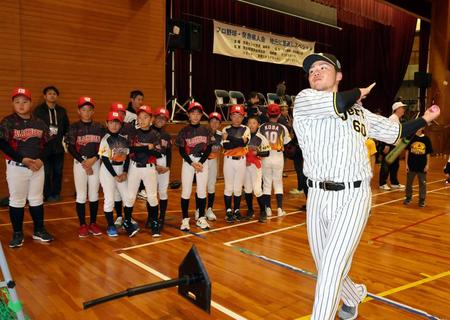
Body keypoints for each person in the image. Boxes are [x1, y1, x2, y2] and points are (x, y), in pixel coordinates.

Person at [293, 52, 440, 320]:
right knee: (326, 266)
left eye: (323, 67)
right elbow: (339, 101)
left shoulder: (359, 112)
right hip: (316, 195)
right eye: (311, 69)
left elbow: (395, 133)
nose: (315, 71)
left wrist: (425, 120)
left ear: (338, 75)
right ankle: (354, 294)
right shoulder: (305, 99)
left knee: (331, 267)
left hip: (353, 194)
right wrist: (357, 92)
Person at [1, 88, 54, 248]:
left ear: (30, 103)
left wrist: (40, 159)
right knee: (17, 200)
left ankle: (39, 230)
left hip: (37, 167)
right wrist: (22, 159)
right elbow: (2, 143)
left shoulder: (39, 122)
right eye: (17, 102)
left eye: (25, 101)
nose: (21, 105)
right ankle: (17, 233)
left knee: (36, 199)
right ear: (13, 104)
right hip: (17, 166)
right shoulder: (8, 121)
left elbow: (51, 143)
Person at [67, 97, 105, 238]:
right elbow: (70, 147)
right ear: (79, 111)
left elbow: (103, 147)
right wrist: (83, 162)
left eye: (89, 110)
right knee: (82, 195)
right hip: (80, 164)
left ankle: (93, 223)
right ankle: (83, 224)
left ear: (93, 111)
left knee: (94, 194)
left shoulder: (99, 127)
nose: (87, 112)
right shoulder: (74, 127)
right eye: (84, 110)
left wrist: (94, 159)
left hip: (95, 162)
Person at [176, 102, 212, 231]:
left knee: (202, 191)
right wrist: (192, 163)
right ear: (188, 115)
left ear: (201, 115)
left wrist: (201, 162)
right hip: (188, 162)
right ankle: (185, 219)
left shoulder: (206, 130)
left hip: (202, 162)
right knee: (186, 191)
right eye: (193, 113)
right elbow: (181, 150)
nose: (195, 116)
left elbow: (209, 148)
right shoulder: (184, 131)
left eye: (198, 113)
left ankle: (201, 218)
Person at [127, 105, 161, 237]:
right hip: (134, 167)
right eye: (140, 118)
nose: (142, 120)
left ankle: (154, 223)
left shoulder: (155, 134)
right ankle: (128, 223)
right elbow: (131, 150)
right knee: (130, 197)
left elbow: (157, 153)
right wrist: (148, 147)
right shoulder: (134, 133)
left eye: (145, 117)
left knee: (152, 197)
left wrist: (141, 147)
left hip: (149, 168)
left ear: (151, 119)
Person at [98, 111, 133, 237]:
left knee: (128, 198)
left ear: (121, 124)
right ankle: (111, 226)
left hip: (120, 170)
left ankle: (127, 222)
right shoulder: (105, 140)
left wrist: (124, 172)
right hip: (108, 172)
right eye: (111, 122)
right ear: (107, 123)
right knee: (109, 199)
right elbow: (105, 160)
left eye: (117, 122)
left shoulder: (124, 139)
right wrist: (115, 175)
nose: (114, 125)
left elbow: (127, 157)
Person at [33, 86, 69, 202]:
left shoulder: (62, 111)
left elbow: (66, 127)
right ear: (45, 96)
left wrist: (66, 141)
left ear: (57, 96)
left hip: (58, 146)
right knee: (46, 171)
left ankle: (56, 193)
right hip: (44, 147)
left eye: (54, 93)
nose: (52, 95)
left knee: (58, 171)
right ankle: (46, 194)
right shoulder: (38, 111)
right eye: (49, 93)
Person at [259, 103, 291, 217]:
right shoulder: (283, 128)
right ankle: (279, 209)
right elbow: (287, 143)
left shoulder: (261, 127)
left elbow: (257, 142)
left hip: (265, 157)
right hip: (278, 157)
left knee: (266, 183)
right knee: (278, 182)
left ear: (267, 114)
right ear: (279, 115)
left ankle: (267, 209)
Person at [222, 104, 250, 222]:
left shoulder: (246, 128)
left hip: (241, 160)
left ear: (243, 117)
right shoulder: (225, 129)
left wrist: (230, 138)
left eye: (240, 116)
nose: (237, 118)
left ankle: (237, 210)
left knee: (238, 188)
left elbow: (243, 143)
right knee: (229, 187)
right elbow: (226, 145)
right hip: (228, 161)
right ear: (230, 116)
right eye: (234, 115)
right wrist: (239, 141)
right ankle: (229, 211)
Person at [195, 112, 222, 221]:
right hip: (202, 161)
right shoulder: (203, 133)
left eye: (217, 122)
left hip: (213, 161)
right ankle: (198, 209)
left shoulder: (221, 135)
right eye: (212, 121)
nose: (214, 123)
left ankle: (209, 209)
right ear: (208, 123)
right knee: (200, 186)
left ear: (220, 124)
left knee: (211, 186)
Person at [243, 115, 270, 222]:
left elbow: (267, 152)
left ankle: (263, 212)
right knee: (247, 189)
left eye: (254, 123)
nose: (251, 125)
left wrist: (257, 152)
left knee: (257, 189)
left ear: (258, 125)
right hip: (245, 165)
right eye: (249, 123)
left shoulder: (261, 138)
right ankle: (250, 210)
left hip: (255, 166)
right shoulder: (244, 136)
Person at [379, 101, 407, 190]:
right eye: (402, 108)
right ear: (397, 109)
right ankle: (382, 183)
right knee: (386, 164)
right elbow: (387, 132)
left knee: (395, 165)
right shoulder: (392, 118)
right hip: (389, 145)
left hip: (395, 146)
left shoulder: (397, 119)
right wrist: (386, 145)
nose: (404, 110)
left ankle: (394, 183)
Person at [151, 107, 172, 230]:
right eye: (158, 117)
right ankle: (151, 217)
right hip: (151, 163)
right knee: (152, 192)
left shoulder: (166, 135)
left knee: (163, 191)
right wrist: (154, 165)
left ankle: (161, 217)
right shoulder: (148, 132)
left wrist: (168, 166)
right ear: (154, 118)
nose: (160, 120)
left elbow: (169, 152)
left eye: (163, 119)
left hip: (163, 162)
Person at [403, 128, 433, 207]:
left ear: (422, 128)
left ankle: (422, 200)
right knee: (409, 183)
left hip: (422, 166)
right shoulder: (411, 138)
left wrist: (427, 164)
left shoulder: (426, 139)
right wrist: (406, 164)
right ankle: (408, 197)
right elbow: (407, 152)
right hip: (411, 165)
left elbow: (428, 153)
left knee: (422, 183)